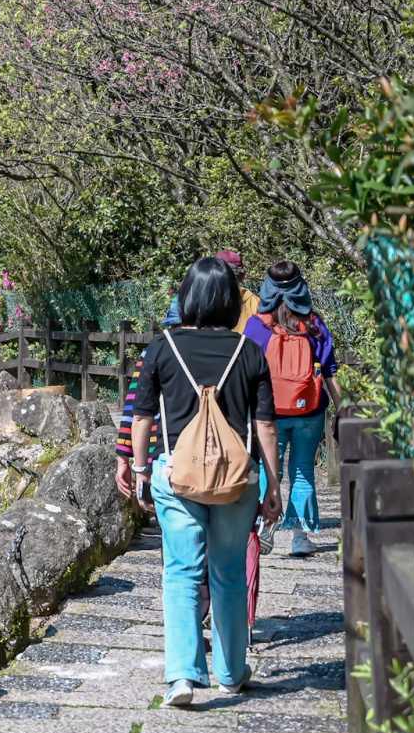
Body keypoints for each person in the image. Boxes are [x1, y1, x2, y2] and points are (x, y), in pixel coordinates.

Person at [132, 257, 282, 707]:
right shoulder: (249, 351)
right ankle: (232, 674)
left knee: (180, 572)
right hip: (238, 481)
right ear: (233, 301)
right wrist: (273, 486)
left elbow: (141, 417)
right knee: (229, 573)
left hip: (177, 476)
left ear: (187, 296)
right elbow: (267, 427)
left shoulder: (162, 347)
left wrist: (141, 471)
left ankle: (181, 678)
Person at [242, 260, 341, 557]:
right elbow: (330, 371)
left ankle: (263, 527)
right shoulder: (314, 324)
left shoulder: (257, 325)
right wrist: (342, 407)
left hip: (268, 413)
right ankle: (301, 537)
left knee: (267, 469)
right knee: (302, 471)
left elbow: (244, 369)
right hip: (309, 411)